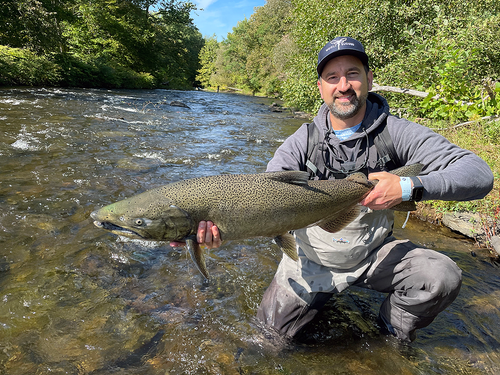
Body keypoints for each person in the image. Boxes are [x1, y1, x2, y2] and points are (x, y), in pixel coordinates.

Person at [173, 36, 494, 342]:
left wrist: (408, 186)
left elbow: (478, 174)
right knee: (268, 340)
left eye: (352, 74)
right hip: (309, 262)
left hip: (374, 255)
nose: (343, 85)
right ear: (321, 87)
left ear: (369, 79)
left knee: (441, 277)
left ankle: (392, 334)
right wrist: (208, 225)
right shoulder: (302, 141)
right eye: (332, 77)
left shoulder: (398, 133)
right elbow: (264, 192)